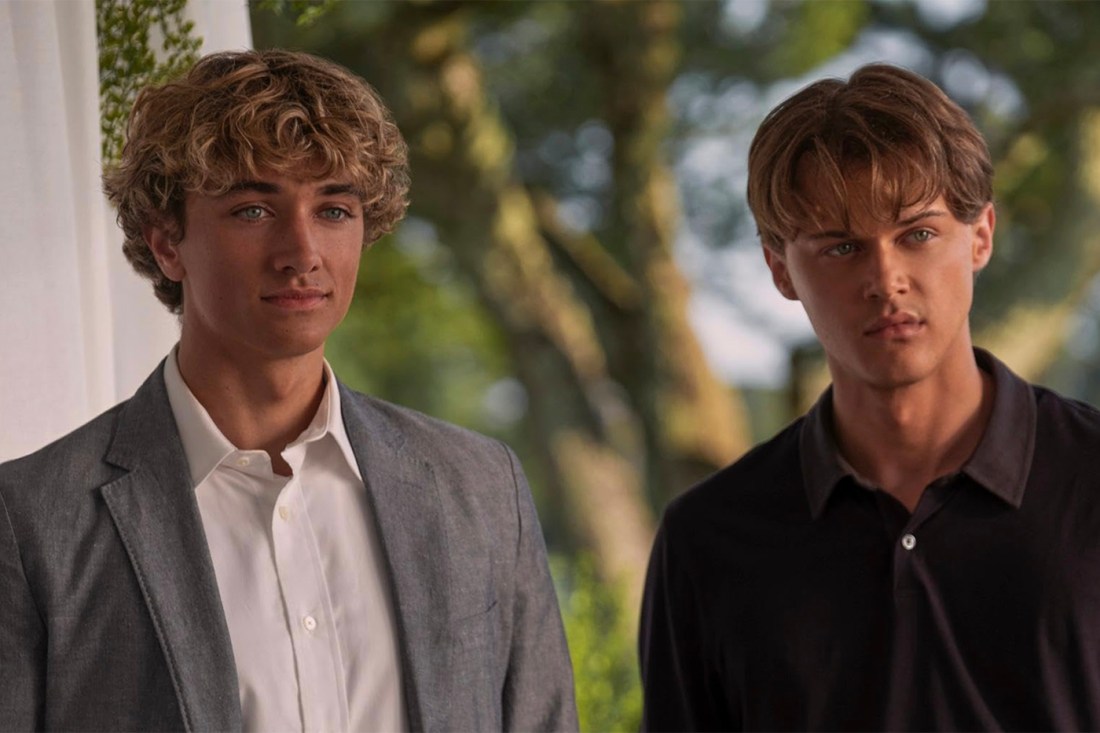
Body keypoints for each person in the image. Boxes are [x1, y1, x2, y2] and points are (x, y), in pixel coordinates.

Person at [0, 49, 576, 732]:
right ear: (166, 243)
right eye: (251, 209)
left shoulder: (481, 488)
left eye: (334, 209)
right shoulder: (32, 519)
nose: (301, 250)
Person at [639, 63, 1100, 730]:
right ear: (779, 269)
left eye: (917, 233)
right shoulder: (706, 542)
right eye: (841, 247)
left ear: (981, 235)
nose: (885, 280)